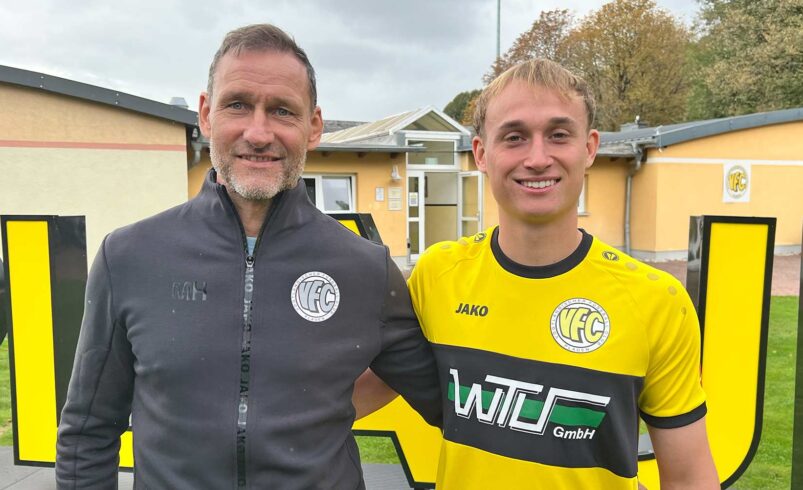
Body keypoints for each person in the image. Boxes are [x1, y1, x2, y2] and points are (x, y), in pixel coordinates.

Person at [55, 24, 441, 489]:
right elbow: (87, 433)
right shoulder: (129, 257)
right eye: (237, 104)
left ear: (313, 125)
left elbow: (452, 397)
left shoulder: (366, 270)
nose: (259, 133)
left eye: (282, 111)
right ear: (206, 113)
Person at [361, 58, 719, 489]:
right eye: (514, 137)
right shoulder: (437, 274)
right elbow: (368, 385)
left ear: (589, 148)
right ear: (481, 154)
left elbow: (689, 478)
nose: (537, 158)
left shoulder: (656, 300)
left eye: (558, 135)